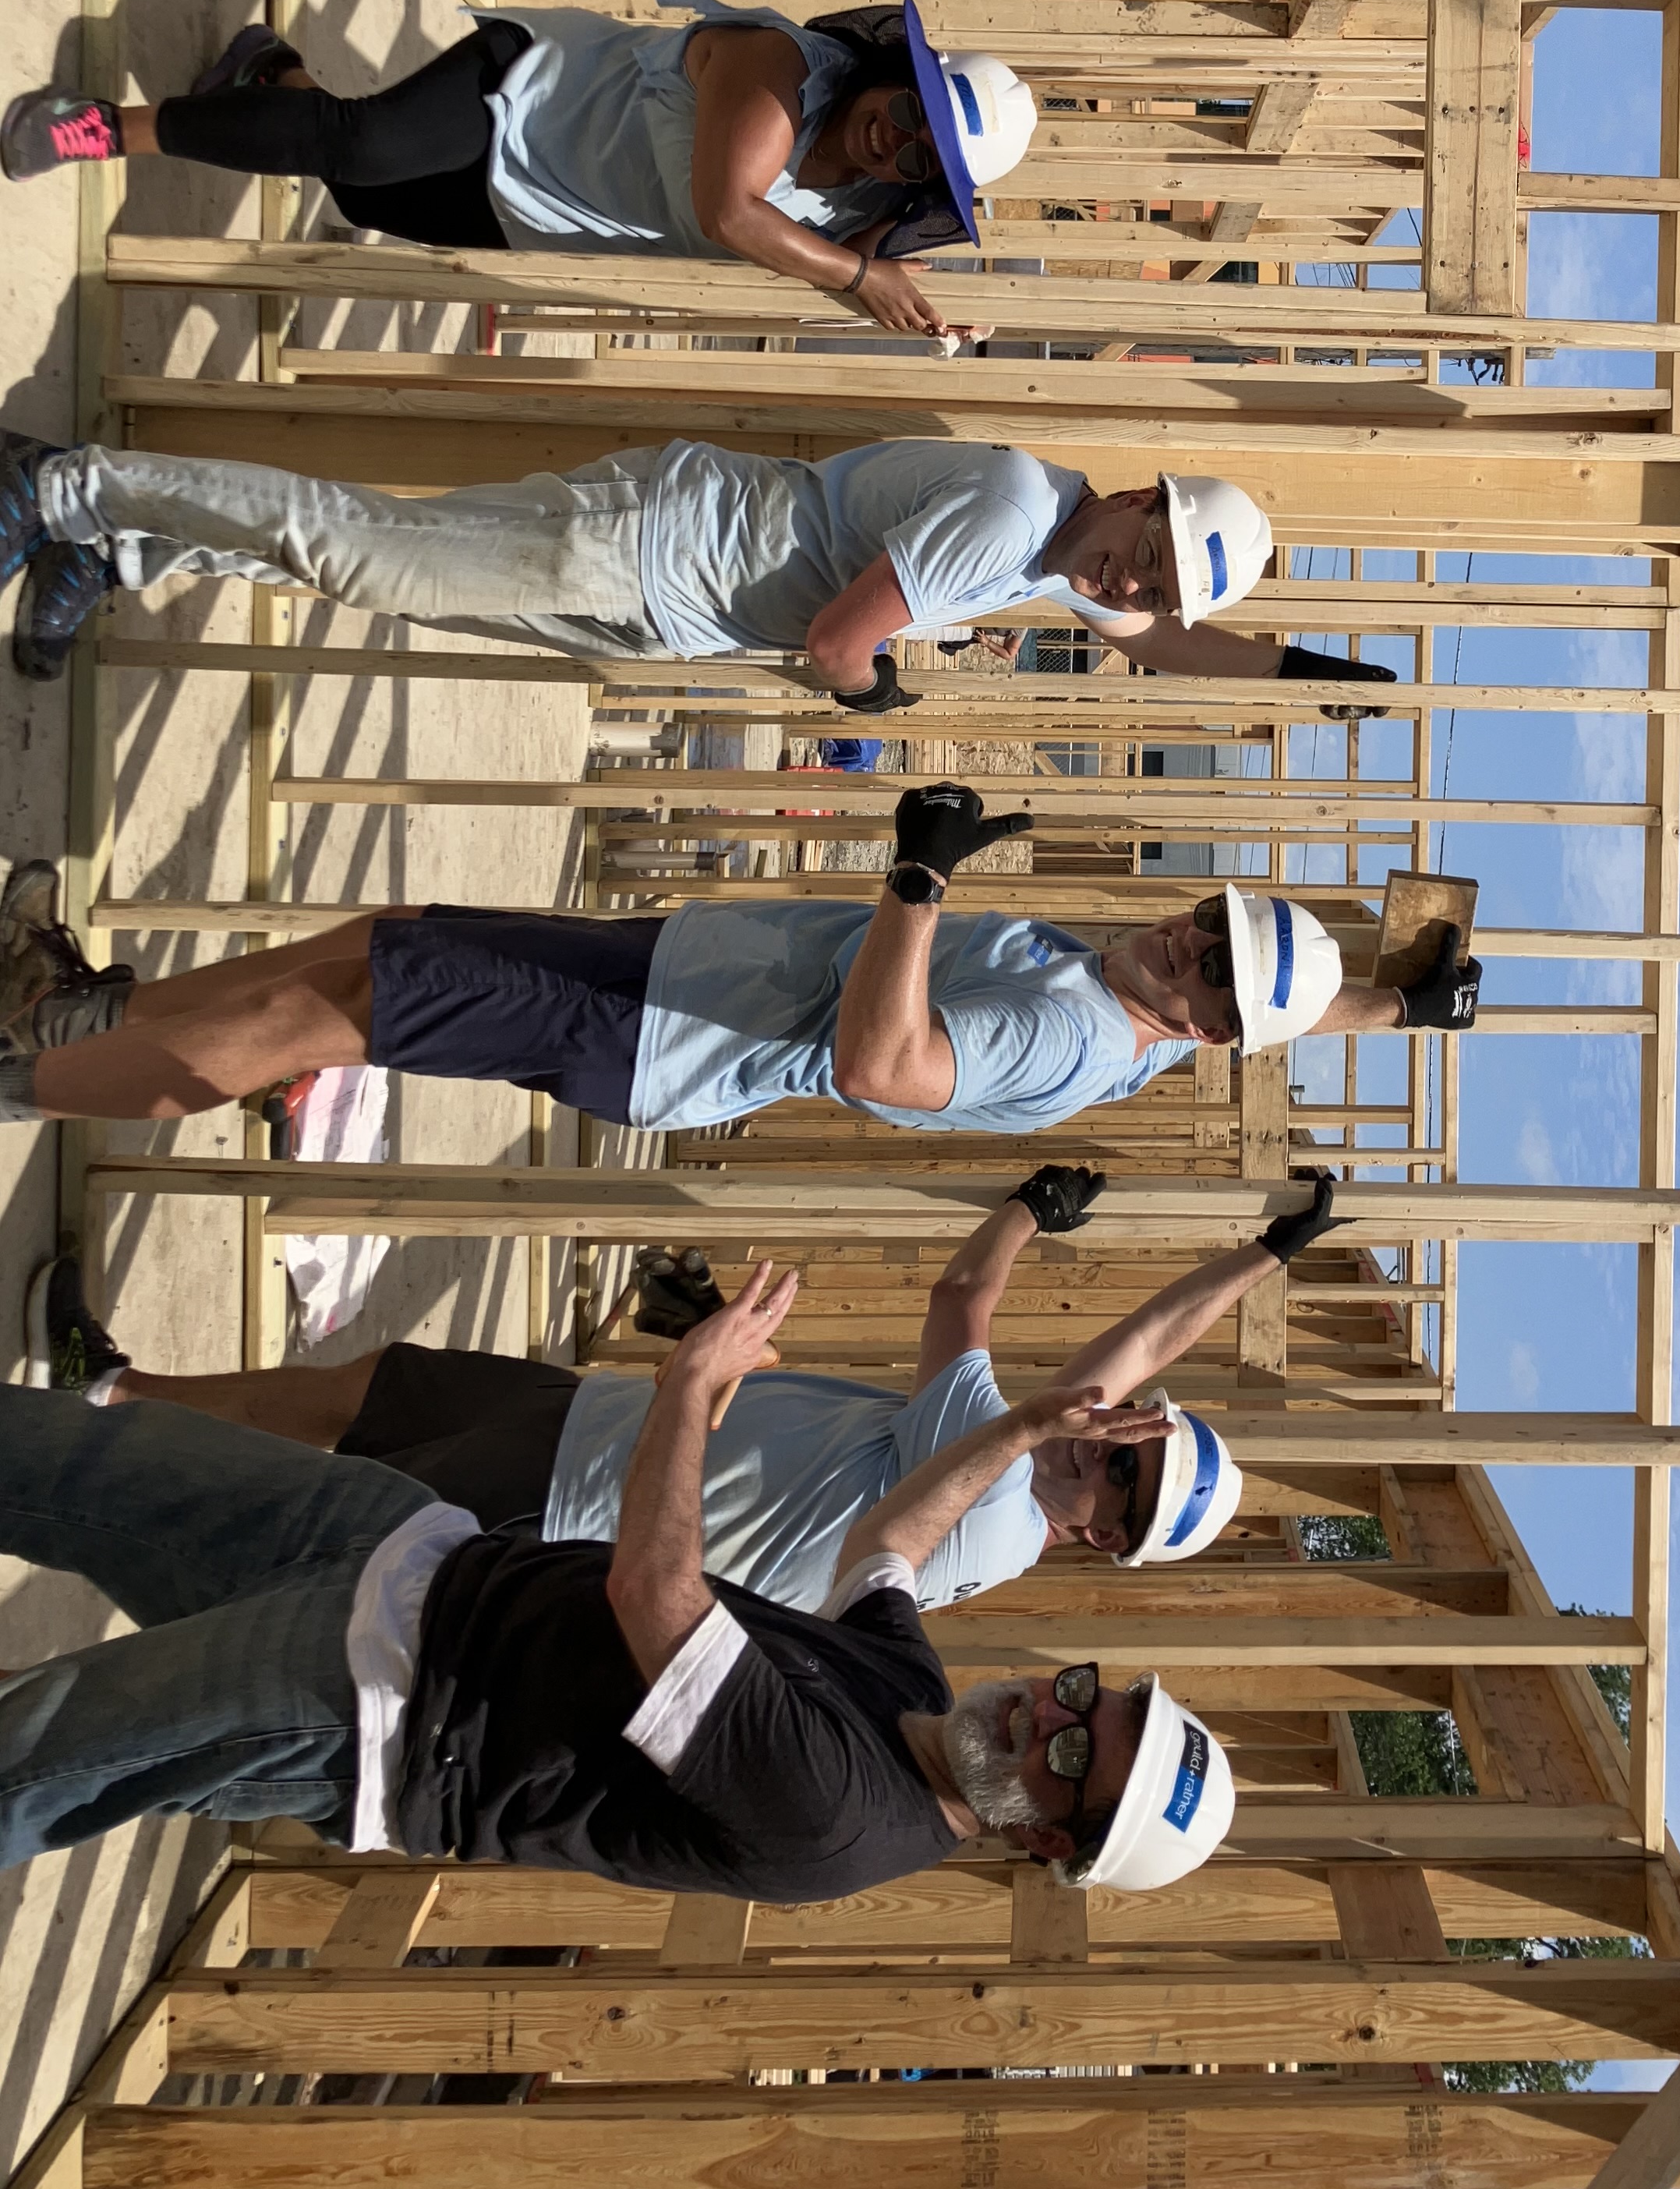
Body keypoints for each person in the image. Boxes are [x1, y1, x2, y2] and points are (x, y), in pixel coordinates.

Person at [0, 1255, 1234, 1896]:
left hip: (369, 1703)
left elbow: (654, 1602)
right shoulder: (906, 1694)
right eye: (1090, 1698)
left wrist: (691, 1389)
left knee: (30, 1753)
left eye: (1071, 1761)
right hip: (404, 1550)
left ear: (1044, 1850)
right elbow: (887, 1547)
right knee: (62, 1462)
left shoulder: (844, 1813)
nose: (1050, 1717)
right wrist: (1018, 1434)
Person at [30, 1164, 1348, 1609]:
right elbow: (1135, 1356)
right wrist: (1263, 1253)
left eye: (1126, 1477)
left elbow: (960, 1304)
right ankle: (127, 1391)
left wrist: (1022, 1209)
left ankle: (80, 1483)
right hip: (598, 1436)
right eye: (1131, 1439)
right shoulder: (1017, 1466)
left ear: (1101, 1537)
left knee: (297, 1517)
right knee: (366, 1390)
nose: (1107, 1447)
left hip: (572, 1502)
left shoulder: (996, 1500)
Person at [0, 799, 1481, 1133]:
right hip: (674, 974)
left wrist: (914, 888)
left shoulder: (1065, 1033)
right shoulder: (1153, 1004)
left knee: (319, 1017)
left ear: (1204, 1035)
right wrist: (1397, 1000)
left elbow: (878, 1066)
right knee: (369, 954)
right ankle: (71, 1015)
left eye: (1210, 970)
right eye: (1209, 924)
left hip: (669, 1034)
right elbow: (1283, 1011)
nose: (1189, 942)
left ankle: (34, 1081)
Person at [0, 418, 1402, 710]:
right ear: (1144, 495)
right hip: (639, 547)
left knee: (356, 567)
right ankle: (57, 481)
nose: (1135, 590)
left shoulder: (1064, 558)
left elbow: (1168, 647)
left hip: (656, 597)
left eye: (1152, 585)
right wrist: (867, 706)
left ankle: (117, 543)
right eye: (1150, 557)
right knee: (360, 548)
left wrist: (1315, 669)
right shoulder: (1006, 512)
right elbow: (838, 644)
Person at [2, 0, 1035, 342]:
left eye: (916, 160)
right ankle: (99, 128)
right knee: (362, 144)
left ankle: (271, 75)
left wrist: (916, 305)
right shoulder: (779, 69)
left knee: (360, 189)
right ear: (896, 70)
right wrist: (862, 280)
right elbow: (729, 213)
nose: (889, 143)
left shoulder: (856, 202)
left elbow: (841, 260)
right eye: (909, 114)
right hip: (518, 91)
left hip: (541, 204)